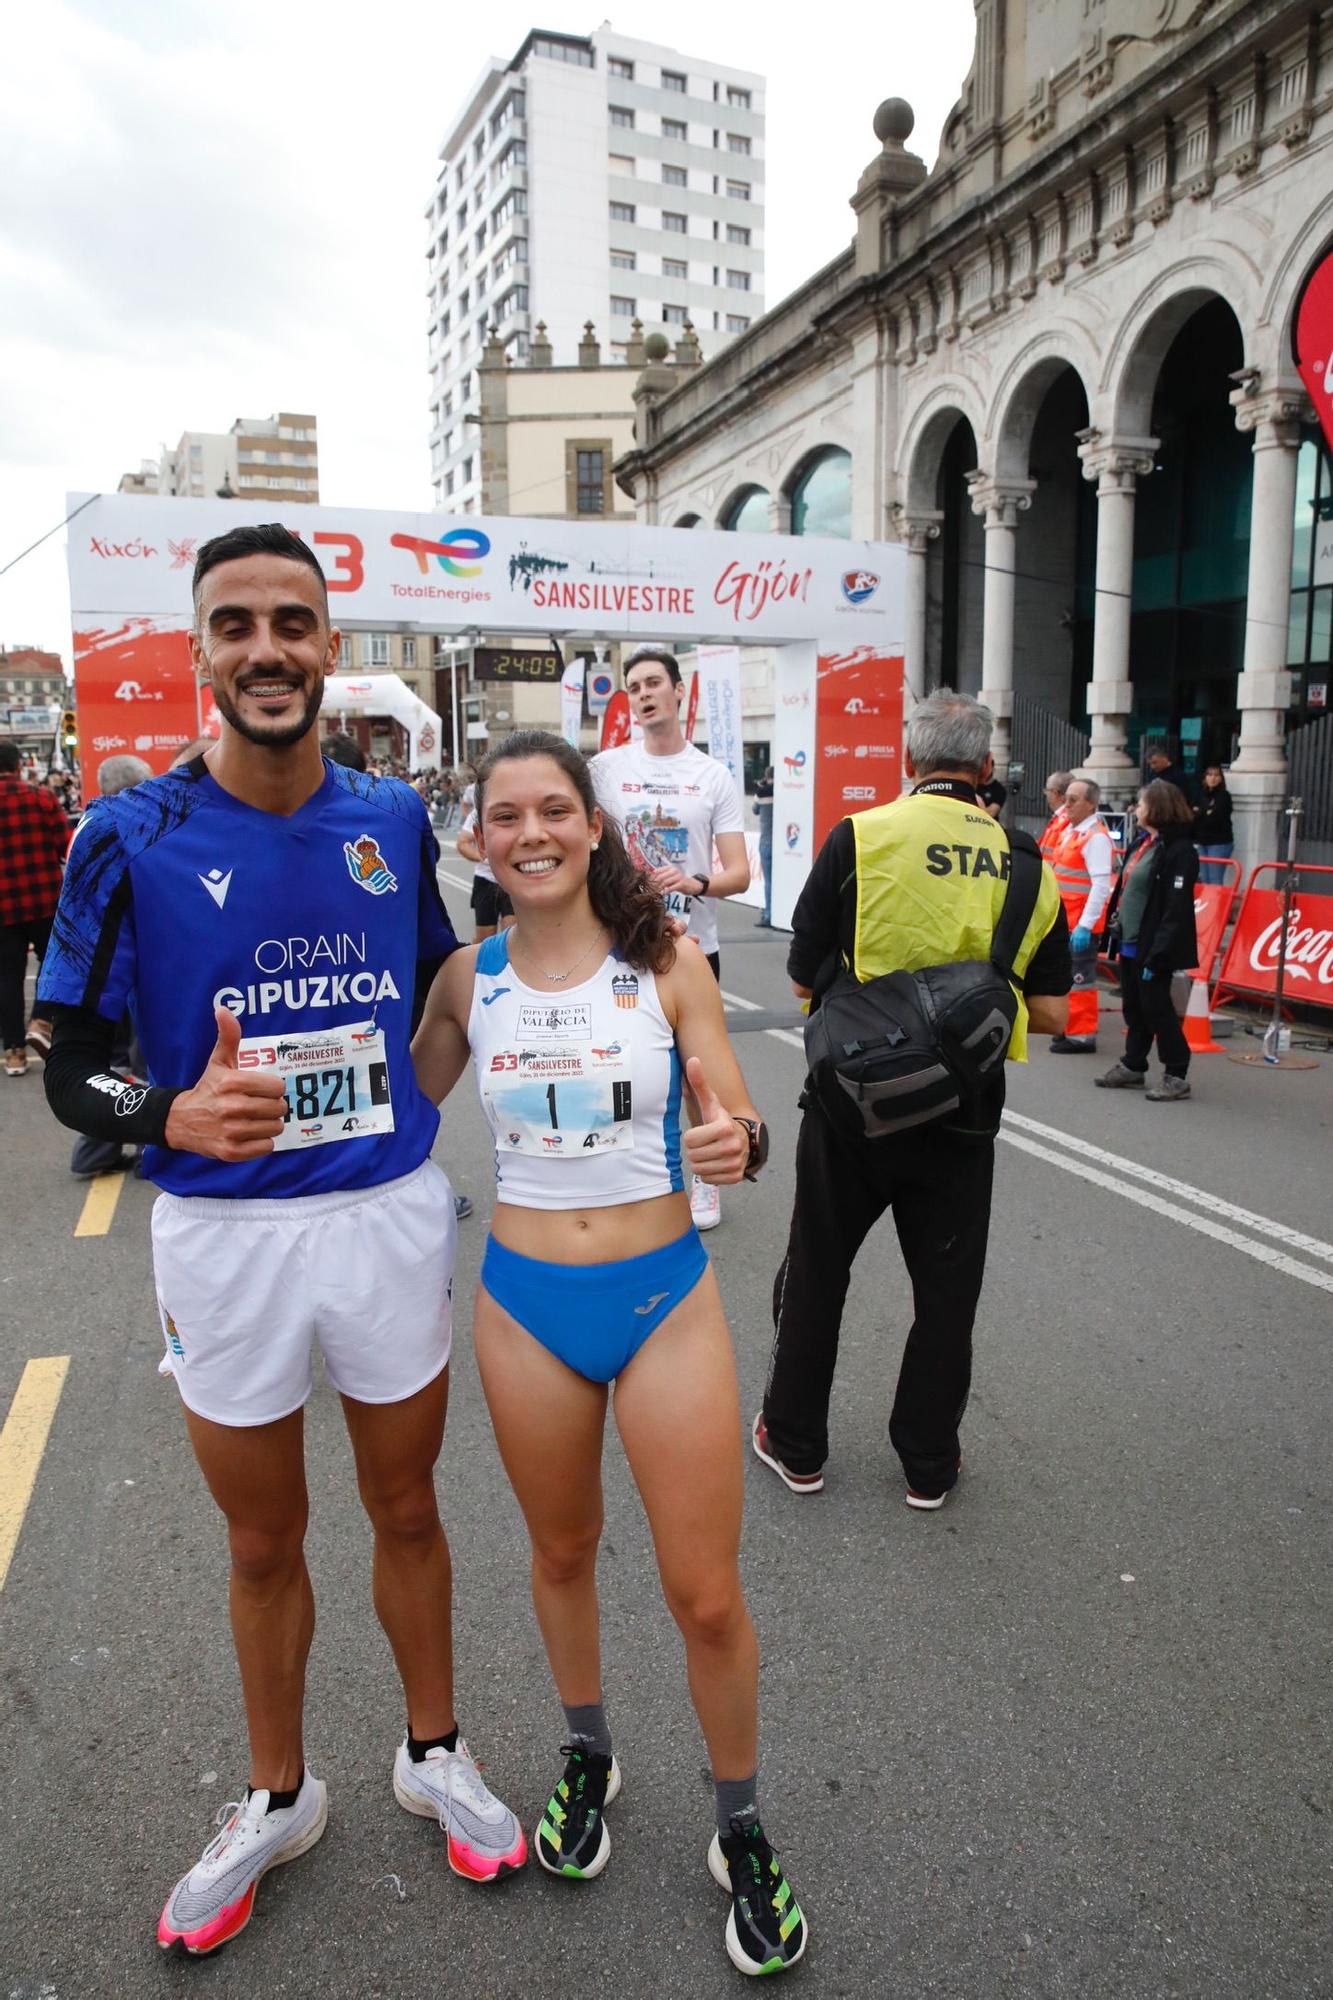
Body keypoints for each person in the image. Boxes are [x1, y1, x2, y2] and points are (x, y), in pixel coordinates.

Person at [38, 522, 524, 1957]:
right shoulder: (128, 835)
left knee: (412, 1509)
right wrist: (166, 1111)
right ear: (200, 651)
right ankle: (278, 1790)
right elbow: (66, 1056)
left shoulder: (388, 819)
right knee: (264, 1540)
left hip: (380, 1221)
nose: (267, 649)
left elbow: (448, 985)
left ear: (330, 646)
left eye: (292, 623)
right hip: (224, 1239)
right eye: (235, 624)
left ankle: (431, 1751)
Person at [412, 729, 805, 1977]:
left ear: (592, 826)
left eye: (553, 810)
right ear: (476, 834)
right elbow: (385, 1115)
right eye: (505, 813)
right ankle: (587, 1750)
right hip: (525, 1302)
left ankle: (739, 1824)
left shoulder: (667, 963)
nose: (529, 831)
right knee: (561, 1549)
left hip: (662, 1300)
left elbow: (733, 1111)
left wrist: (738, 1140)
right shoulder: (468, 982)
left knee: (704, 1593)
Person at [753, 691, 1070, 1508]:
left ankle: (794, 1446)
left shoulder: (860, 836)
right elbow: (1049, 1010)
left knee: (818, 1269)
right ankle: (928, 1463)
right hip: (962, 1110)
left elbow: (800, 972)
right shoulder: (1029, 864)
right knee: (946, 1293)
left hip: (848, 1104)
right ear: (986, 770)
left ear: (907, 762)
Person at [590, 646, 750, 1232]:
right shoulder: (605, 768)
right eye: (634, 686)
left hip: (690, 950)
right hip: (621, 944)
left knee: (693, 1073)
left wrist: (695, 880)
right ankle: (621, 1174)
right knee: (618, 1065)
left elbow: (738, 872)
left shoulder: (712, 775)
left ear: (680, 691)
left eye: (655, 682)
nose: (644, 693)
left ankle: (704, 1179)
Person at [68, 753, 153, 1178]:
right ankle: (144, 1149)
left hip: (93, 967)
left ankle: (96, 1151)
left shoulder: (86, 826)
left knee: (111, 1060)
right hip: (136, 962)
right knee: (141, 1058)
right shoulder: (140, 828)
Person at [1096, 779, 1199, 1102]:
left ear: (1157, 807)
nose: (1134, 810)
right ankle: (1133, 1063)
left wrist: (1159, 951)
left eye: (1140, 804)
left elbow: (1175, 908)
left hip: (1153, 944)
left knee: (1157, 1008)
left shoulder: (1179, 851)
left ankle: (1176, 1072)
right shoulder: (1143, 843)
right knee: (1134, 1006)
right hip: (1130, 939)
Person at [0, 738, 68, 1078]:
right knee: (54, 963)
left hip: (3, 910)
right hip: (44, 901)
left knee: (7, 978)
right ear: (18, 765)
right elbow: (63, 845)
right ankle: (41, 1020)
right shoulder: (41, 798)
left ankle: (13, 1052)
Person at [1047, 777, 1114, 1055]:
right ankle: (1068, 1028)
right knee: (1067, 977)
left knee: (1081, 980)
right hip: (1066, 921)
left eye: (1074, 799)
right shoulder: (1072, 833)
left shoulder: (1095, 838)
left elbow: (1101, 885)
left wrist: (1085, 925)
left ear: (1091, 804)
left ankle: (1082, 1035)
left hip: (1080, 924)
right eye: (1067, 798)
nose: (1067, 804)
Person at [456, 783, 512, 940]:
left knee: (512, 930)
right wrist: (484, 858)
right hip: (486, 879)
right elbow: (463, 843)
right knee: (485, 937)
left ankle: (511, 964)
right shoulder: (478, 812)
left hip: (511, 879)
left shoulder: (519, 808)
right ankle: (479, 962)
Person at [1193, 764, 1234, 885]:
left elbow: (1216, 818)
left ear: (1221, 778)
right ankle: (1209, 904)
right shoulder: (1200, 794)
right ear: (1205, 777)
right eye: (1210, 775)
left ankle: (1217, 904)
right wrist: (1205, 811)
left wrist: (1201, 812)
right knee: (1204, 879)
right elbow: (1193, 816)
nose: (1213, 778)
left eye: (1216, 775)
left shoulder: (1224, 796)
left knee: (1215, 880)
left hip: (1219, 843)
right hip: (1201, 842)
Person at [753, 765, 774, 926]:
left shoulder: (762, 791)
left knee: (768, 881)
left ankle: (768, 914)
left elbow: (755, 810)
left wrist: (760, 787)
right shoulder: (782, 791)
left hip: (766, 841)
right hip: (784, 843)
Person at [1038, 771, 1071, 859]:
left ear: (1055, 793)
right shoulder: (1060, 817)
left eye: (1047, 790)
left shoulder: (1066, 820)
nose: (1046, 794)